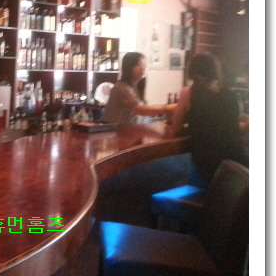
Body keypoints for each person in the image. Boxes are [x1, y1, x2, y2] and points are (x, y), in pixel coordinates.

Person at [171, 53, 248, 186]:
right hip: (236, 162)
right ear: (216, 71)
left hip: (207, 163)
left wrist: (192, 126)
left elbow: (176, 127)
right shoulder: (231, 96)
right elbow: (234, 130)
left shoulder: (188, 92)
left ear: (191, 71)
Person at [102, 52, 173, 126]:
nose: (143, 68)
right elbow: (139, 110)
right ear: (128, 67)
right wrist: (168, 108)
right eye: (139, 65)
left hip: (128, 130)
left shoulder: (137, 87)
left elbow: (143, 114)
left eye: (144, 65)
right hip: (113, 131)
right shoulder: (121, 87)